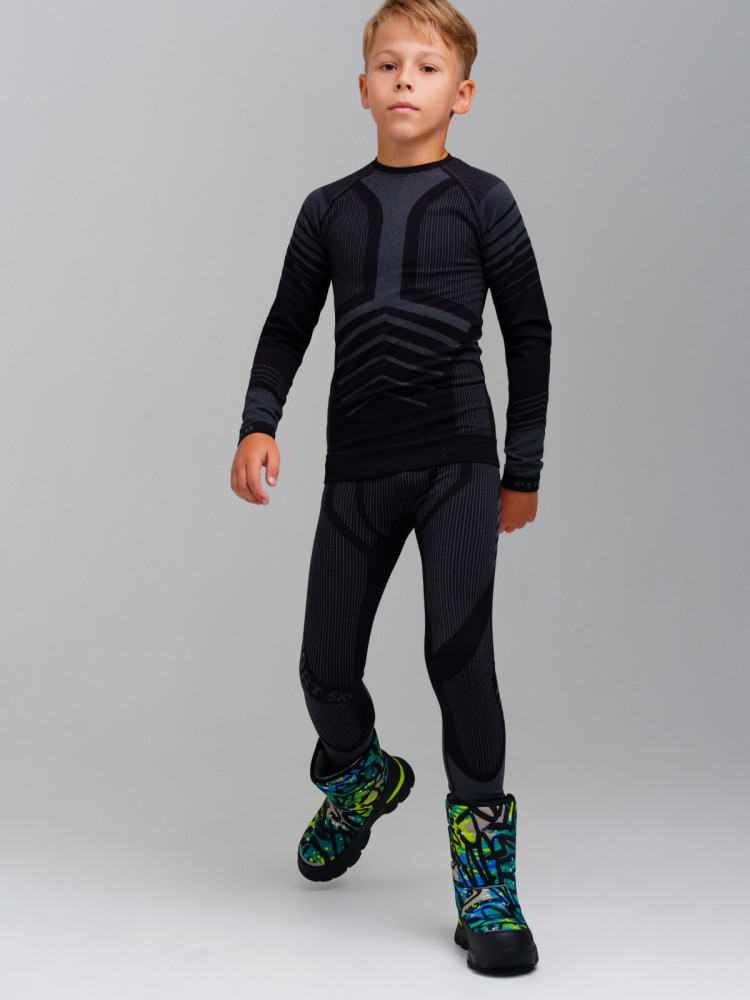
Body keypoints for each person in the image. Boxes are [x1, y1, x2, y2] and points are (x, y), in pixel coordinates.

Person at [230, 0, 551, 976]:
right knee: (323, 671)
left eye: (427, 66)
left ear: (463, 93)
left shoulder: (484, 200)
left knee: (458, 655)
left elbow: (530, 331)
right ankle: (363, 777)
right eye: (388, 64)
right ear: (363, 87)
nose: (405, 78)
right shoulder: (328, 209)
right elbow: (287, 324)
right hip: (358, 469)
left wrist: (523, 470)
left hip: (457, 462)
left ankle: (487, 885)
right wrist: (257, 422)